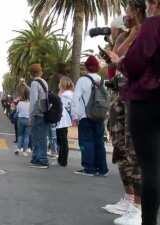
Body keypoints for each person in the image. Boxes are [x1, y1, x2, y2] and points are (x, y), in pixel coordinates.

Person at [107, 1, 160, 224]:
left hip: (148, 99)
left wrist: (120, 63)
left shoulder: (152, 26)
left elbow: (135, 64)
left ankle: (145, 217)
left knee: (150, 167)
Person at [103, 3, 146, 225]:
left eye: (128, 10)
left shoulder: (148, 31)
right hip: (120, 94)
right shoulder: (130, 34)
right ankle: (130, 200)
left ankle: (139, 207)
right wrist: (127, 36)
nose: (125, 15)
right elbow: (117, 57)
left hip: (137, 97)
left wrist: (135, 33)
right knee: (121, 146)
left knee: (134, 149)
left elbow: (129, 61)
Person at [71, 55, 109, 176]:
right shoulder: (101, 80)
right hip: (99, 116)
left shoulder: (82, 80)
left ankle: (89, 168)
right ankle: (102, 169)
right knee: (99, 141)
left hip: (85, 116)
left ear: (86, 67)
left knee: (86, 141)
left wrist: (74, 115)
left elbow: (75, 98)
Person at [29, 63, 50, 169]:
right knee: (41, 137)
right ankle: (37, 158)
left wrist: (30, 117)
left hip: (38, 113)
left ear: (31, 73)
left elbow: (33, 101)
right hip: (45, 112)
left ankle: (41, 159)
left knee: (37, 137)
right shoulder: (44, 82)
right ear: (40, 72)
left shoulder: (34, 83)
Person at [56, 76, 74, 167]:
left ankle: (62, 160)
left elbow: (60, 107)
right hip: (66, 120)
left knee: (62, 140)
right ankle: (62, 159)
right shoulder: (71, 94)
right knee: (63, 140)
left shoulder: (64, 95)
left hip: (62, 120)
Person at [14, 89, 30, 157]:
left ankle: (18, 149)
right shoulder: (30, 103)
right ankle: (25, 151)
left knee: (20, 135)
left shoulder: (20, 103)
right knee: (26, 136)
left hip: (20, 120)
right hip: (28, 120)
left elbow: (17, 112)